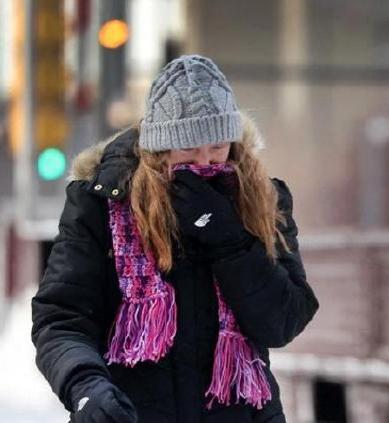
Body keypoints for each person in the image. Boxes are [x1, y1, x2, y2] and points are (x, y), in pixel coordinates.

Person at [31, 54, 319, 423]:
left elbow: (283, 321)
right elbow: (61, 318)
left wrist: (229, 239)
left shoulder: (261, 203)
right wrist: (85, 387)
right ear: (159, 147)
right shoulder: (102, 205)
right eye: (188, 148)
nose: (204, 160)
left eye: (217, 146)